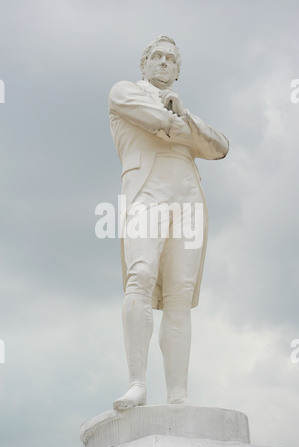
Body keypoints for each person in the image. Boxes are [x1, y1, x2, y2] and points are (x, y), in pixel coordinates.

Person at [108, 36, 229, 410]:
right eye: (156, 57)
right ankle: (137, 384)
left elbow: (219, 147)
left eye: (171, 59)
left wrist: (185, 117)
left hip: (188, 198)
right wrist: (180, 124)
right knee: (140, 276)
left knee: (180, 292)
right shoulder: (125, 91)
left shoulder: (182, 108)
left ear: (178, 71)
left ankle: (178, 394)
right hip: (146, 191)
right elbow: (155, 121)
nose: (163, 62)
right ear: (144, 64)